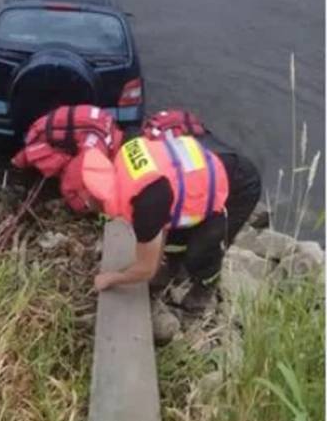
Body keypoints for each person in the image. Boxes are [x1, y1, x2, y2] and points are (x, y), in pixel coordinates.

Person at [82, 131, 262, 310]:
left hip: (237, 188)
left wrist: (112, 278)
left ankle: (205, 287)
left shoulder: (145, 205)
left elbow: (146, 269)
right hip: (203, 174)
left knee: (202, 251)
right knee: (176, 239)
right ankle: (174, 268)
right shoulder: (124, 160)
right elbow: (161, 227)